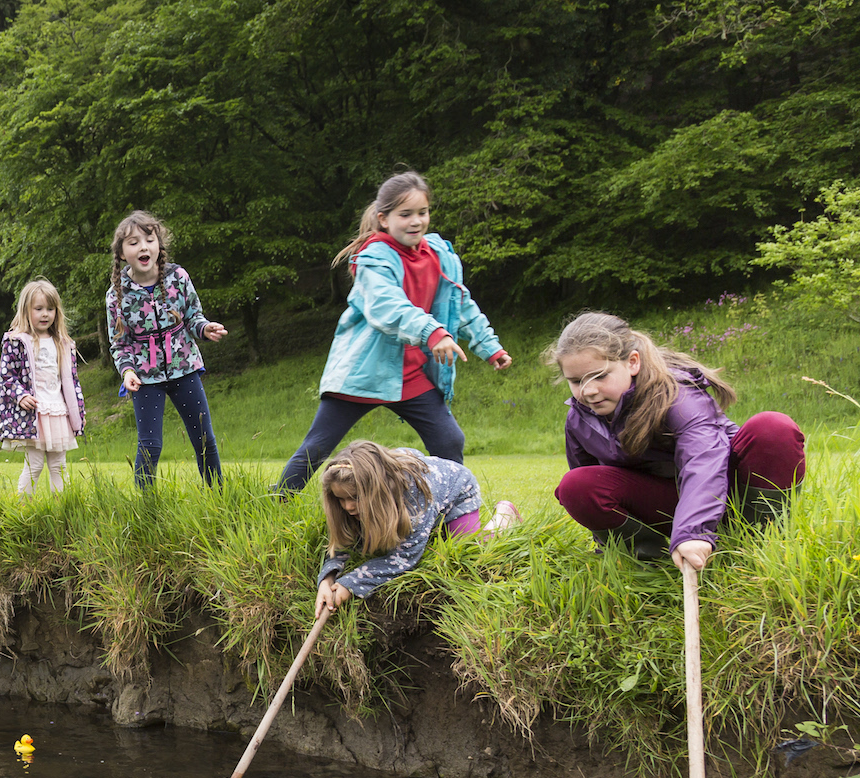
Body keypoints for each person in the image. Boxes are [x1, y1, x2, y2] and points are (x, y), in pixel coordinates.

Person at [278, 172, 512, 494]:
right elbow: (388, 307)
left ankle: (453, 510)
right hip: (364, 372)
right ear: (383, 219)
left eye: (422, 212)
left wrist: (489, 346)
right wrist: (433, 333)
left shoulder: (439, 254)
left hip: (411, 374)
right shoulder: (374, 258)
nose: (416, 221)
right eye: (406, 214)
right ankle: (275, 502)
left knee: (449, 440)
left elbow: (461, 303)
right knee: (317, 447)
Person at [547, 312, 806, 568]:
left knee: (773, 427)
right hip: (667, 505)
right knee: (576, 485)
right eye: (577, 381)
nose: (589, 391)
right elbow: (590, 484)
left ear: (632, 362)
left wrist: (693, 531)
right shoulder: (578, 419)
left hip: (726, 494)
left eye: (600, 376)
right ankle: (660, 559)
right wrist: (607, 539)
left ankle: (755, 543)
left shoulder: (679, 396)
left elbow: (703, 461)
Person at [314, 441, 521, 615]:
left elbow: (404, 558)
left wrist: (350, 584)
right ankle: (428, 527)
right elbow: (342, 543)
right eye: (341, 499)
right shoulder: (351, 506)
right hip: (409, 509)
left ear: (376, 491)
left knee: (472, 552)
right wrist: (327, 580)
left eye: (355, 498)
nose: (348, 506)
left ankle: (504, 517)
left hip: (457, 495)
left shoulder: (413, 498)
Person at [105, 210, 227, 487]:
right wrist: (127, 372)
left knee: (204, 440)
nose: (143, 246)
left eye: (149, 239)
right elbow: (120, 344)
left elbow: (194, 317)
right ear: (122, 254)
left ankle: (220, 500)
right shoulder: (116, 295)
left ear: (159, 246)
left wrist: (205, 328)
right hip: (145, 379)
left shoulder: (178, 277)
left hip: (185, 369)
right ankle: (146, 510)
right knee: (150, 445)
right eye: (133, 242)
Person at [0, 278, 86, 494]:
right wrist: (20, 396)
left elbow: (71, 381)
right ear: (26, 310)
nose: (45, 314)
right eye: (39, 309)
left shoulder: (63, 343)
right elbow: (7, 376)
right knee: (35, 465)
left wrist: (78, 410)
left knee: (59, 465)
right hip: (34, 414)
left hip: (57, 411)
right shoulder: (16, 342)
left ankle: (62, 509)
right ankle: (23, 509)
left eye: (50, 309)